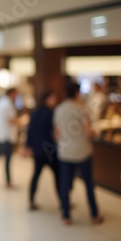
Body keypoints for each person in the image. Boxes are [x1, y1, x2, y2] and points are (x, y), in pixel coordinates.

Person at [53, 82, 104, 225]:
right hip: (82, 152)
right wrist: (95, 133)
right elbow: (88, 132)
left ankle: (66, 216)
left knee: (65, 183)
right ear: (77, 93)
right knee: (88, 184)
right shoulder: (82, 110)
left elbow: (57, 133)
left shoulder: (59, 109)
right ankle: (94, 215)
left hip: (65, 152)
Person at [25, 90, 61, 210]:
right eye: (53, 98)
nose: (54, 101)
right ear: (47, 99)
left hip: (38, 150)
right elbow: (54, 132)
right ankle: (63, 202)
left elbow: (29, 131)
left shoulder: (34, 113)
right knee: (58, 176)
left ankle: (31, 200)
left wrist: (28, 146)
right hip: (49, 150)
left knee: (36, 175)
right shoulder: (51, 113)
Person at [0, 88, 19, 188]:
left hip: (0, 134)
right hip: (6, 136)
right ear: (12, 93)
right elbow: (11, 120)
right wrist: (21, 122)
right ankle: (8, 182)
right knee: (6, 160)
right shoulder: (7, 104)